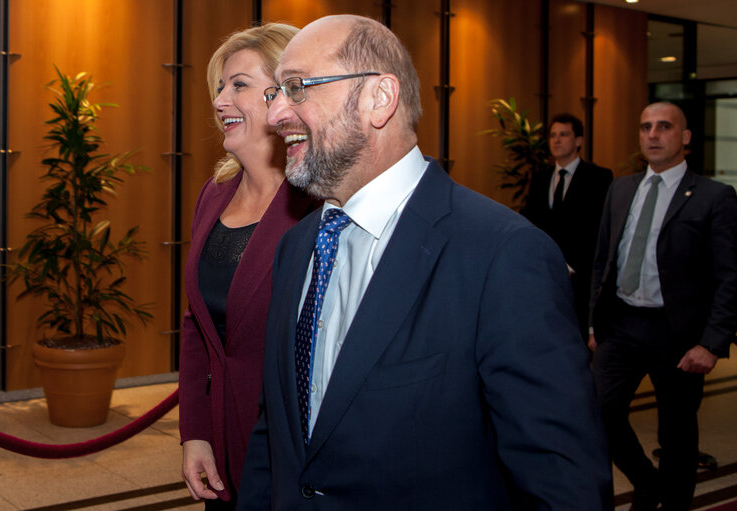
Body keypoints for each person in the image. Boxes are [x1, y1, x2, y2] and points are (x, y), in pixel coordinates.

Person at [237, 14, 612, 510]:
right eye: (275, 93)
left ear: (379, 98)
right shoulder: (297, 246)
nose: (276, 112)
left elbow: (564, 485)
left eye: (297, 87)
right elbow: (276, 430)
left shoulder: (503, 254)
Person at [177, 23, 312, 510]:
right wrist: (195, 432)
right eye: (219, 87)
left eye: (238, 85)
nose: (219, 101)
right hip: (220, 439)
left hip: (289, 448)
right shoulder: (214, 195)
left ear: (284, 97)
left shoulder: (318, 205)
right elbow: (197, 326)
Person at [590, 102, 737, 510]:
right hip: (621, 325)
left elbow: (731, 276)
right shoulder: (621, 188)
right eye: (645, 127)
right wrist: (591, 323)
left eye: (664, 127)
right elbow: (602, 260)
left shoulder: (714, 197)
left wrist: (712, 342)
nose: (653, 134)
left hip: (679, 335)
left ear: (685, 138)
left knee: (676, 436)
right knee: (597, 412)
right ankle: (646, 482)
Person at [522, 113, 613, 341]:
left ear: (579, 141)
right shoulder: (540, 177)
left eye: (564, 134)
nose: (557, 140)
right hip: (544, 273)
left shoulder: (599, 177)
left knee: (578, 343)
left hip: (582, 277)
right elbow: (531, 222)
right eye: (553, 135)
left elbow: (598, 228)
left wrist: (572, 264)